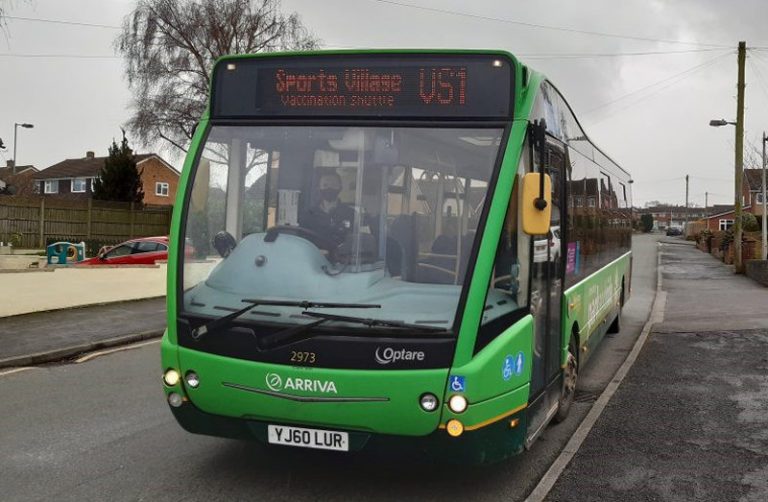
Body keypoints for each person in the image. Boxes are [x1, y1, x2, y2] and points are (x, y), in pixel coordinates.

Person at [299, 171, 355, 247]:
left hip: (342, 257)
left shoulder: (351, 214)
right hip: (315, 256)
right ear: (319, 188)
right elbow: (302, 241)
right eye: (325, 185)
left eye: (333, 185)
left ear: (340, 187)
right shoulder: (309, 214)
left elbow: (356, 242)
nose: (329, 188)